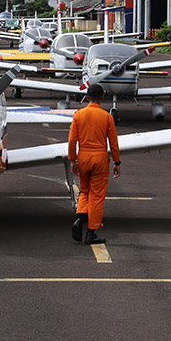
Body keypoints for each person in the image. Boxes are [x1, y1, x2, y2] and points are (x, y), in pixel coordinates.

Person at [67, 83, 120, 244]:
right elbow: (113, 143)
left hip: (83, 158)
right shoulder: (106, 117)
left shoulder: (79, 115)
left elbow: (72, 140)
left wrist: (72, 160)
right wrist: (117, 162)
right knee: (97, 196)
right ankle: (91, 232)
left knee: (84, 191)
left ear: (87, 97)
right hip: (100, 159)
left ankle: (79, 219)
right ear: (102, 98)